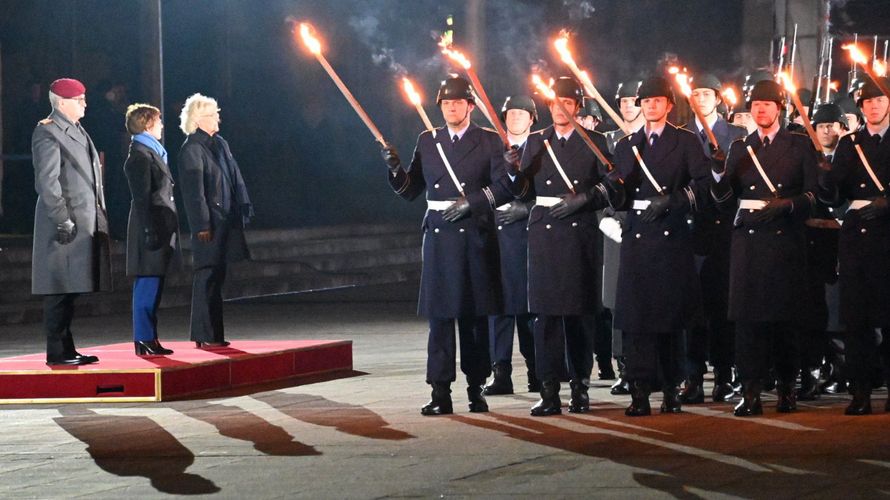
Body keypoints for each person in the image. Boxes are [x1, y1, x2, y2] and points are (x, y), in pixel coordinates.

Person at [380, 77, 513, 415]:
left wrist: (473, 203)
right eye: (445, 103)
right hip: (439, 236)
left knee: (473, 318)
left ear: (470, 106)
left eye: (457, 102)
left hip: (473, 235)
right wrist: (395, 170)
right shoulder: (428, 140)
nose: (451, 108)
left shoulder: (488, 141)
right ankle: (440, 391)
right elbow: (412, 189)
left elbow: (503, 188)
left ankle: (475, 387)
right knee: (439, 318)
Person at [508, 77, 623, 416]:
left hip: (579, 235)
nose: (561, 109)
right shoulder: (536, 141)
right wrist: (514, 170)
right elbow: (522, 193)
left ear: (577, 107)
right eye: (556, 103)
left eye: (568, 103)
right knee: (545, 317)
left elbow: (613, 184)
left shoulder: (596, 141)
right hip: (544, 235)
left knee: (578, 317)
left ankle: (580, 388)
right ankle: (548, 390)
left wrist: (586, 199)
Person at [710, 80, 821, 417]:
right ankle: (751, 390)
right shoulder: (739, 147)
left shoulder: (799, 145)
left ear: (779, 108)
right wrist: (718, 175)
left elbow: (814, 197)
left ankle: (787, 388)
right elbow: (723, 202)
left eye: (767, 104)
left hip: (784, 240)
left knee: (784, 320)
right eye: (756, 104)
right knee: (747, 322)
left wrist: (787, 206)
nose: (760, 110)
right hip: (748, 242)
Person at [613, 76, 712, 416]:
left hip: (671, 235)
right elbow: (620, 192)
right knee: (638, 320)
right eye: (645, 101)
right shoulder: (627, 145)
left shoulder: (685, 141)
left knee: (670, 319)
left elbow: (702, 186)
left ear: (669, 105)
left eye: (657, 101)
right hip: (638, 238)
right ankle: (639, 390)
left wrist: (671, 201)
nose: (650, 106)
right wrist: (615, 191)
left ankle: (671, 388)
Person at [821, 76, 890, 415]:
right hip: (857, 235)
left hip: (888, 234)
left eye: (879, 100)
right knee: (856, 318)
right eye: (867, 102)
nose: (873, 106)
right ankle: (859, 390)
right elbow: (836, 194)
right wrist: (826, 177)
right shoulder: (851, 143)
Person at [31, 78, 112, 365]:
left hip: (82, 220)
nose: (85, 104)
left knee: (70, 287)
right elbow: (48, 182)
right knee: (58, 289)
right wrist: (62, 219)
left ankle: (67, 348)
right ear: (62, 102)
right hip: (63, 223)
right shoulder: (48, 132)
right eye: (79, 100)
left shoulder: (76, 129)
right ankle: (57, 351)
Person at [679, 73, 747, 404]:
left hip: (724, 230)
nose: (701, 98)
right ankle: (692, 376)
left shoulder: (736, 135)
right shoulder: (680, 135)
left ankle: (723, 374)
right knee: (692, 307)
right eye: (696, 93)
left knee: (722, 306)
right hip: (689, 230)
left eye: (707, 93)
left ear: (718, 98)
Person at [178, 93, 253, 349]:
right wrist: (201, 225)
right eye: (212, 114)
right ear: (198, 119)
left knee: (217, 277)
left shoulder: (220, 144)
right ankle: (204, 334)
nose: (217, 118)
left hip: (225, 219)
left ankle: (213, 334)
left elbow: (234, 177)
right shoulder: (192, 149)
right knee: (206, 277)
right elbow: (194, 193)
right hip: (209, 223)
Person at [484, 95, 539, 395]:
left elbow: (549, 189)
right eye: (511, 112)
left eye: (522, 112)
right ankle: (500, 370)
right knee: (499, 306)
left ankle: (536, 369)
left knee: (529, 309)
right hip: (498, 234)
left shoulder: (541, 145)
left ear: (532, 118)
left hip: (530, 237)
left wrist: (527, 208)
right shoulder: (493, 146)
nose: (516, 117)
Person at [797, 103, 847, 400]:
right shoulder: (807, 160)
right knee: (814, 311)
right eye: (821, 126)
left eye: (832, 125)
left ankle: (846, 369)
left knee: (844, 311)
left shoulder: (851, 155)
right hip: (812, 245)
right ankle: (813, 371)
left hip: (846, 243)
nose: (827, 130)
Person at [123, 103, 179, 356]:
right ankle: (143, 338)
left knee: (154, 282)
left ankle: (150, 337)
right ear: (147, 124)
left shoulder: (152, 152)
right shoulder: (140, 155)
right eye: (158, 121)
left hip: (157, 224)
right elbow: (142, 196)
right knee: (147, 282)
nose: (162, 125)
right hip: (149, 225)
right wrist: (149, 229)